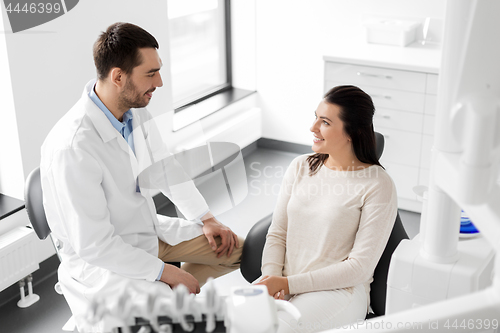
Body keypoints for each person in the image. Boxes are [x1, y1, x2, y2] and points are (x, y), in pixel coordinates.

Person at [40, 22, 243, 332]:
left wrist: (206, 217)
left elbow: (163, 166)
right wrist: (166, 273)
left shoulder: (134, 111)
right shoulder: (73, 147)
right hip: (106, 260)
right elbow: (95, 245)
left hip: (147, 232)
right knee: (172, 316)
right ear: (118, 77)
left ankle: (170, 292)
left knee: (237, 251)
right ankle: (102, 315)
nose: (159, 82)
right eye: (150, 73)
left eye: (158, 70)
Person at [256, 85, 398, 332]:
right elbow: (277, 233)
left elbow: (359, 268)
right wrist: (271, 282)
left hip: (338, 291)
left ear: (352, 132)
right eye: (315, 117)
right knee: (236, 321)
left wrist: (287, 284)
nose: (313, 128)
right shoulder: (300, 167)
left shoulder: (378, 184)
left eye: (325, 122)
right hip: (285, 283)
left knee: (278, 329)